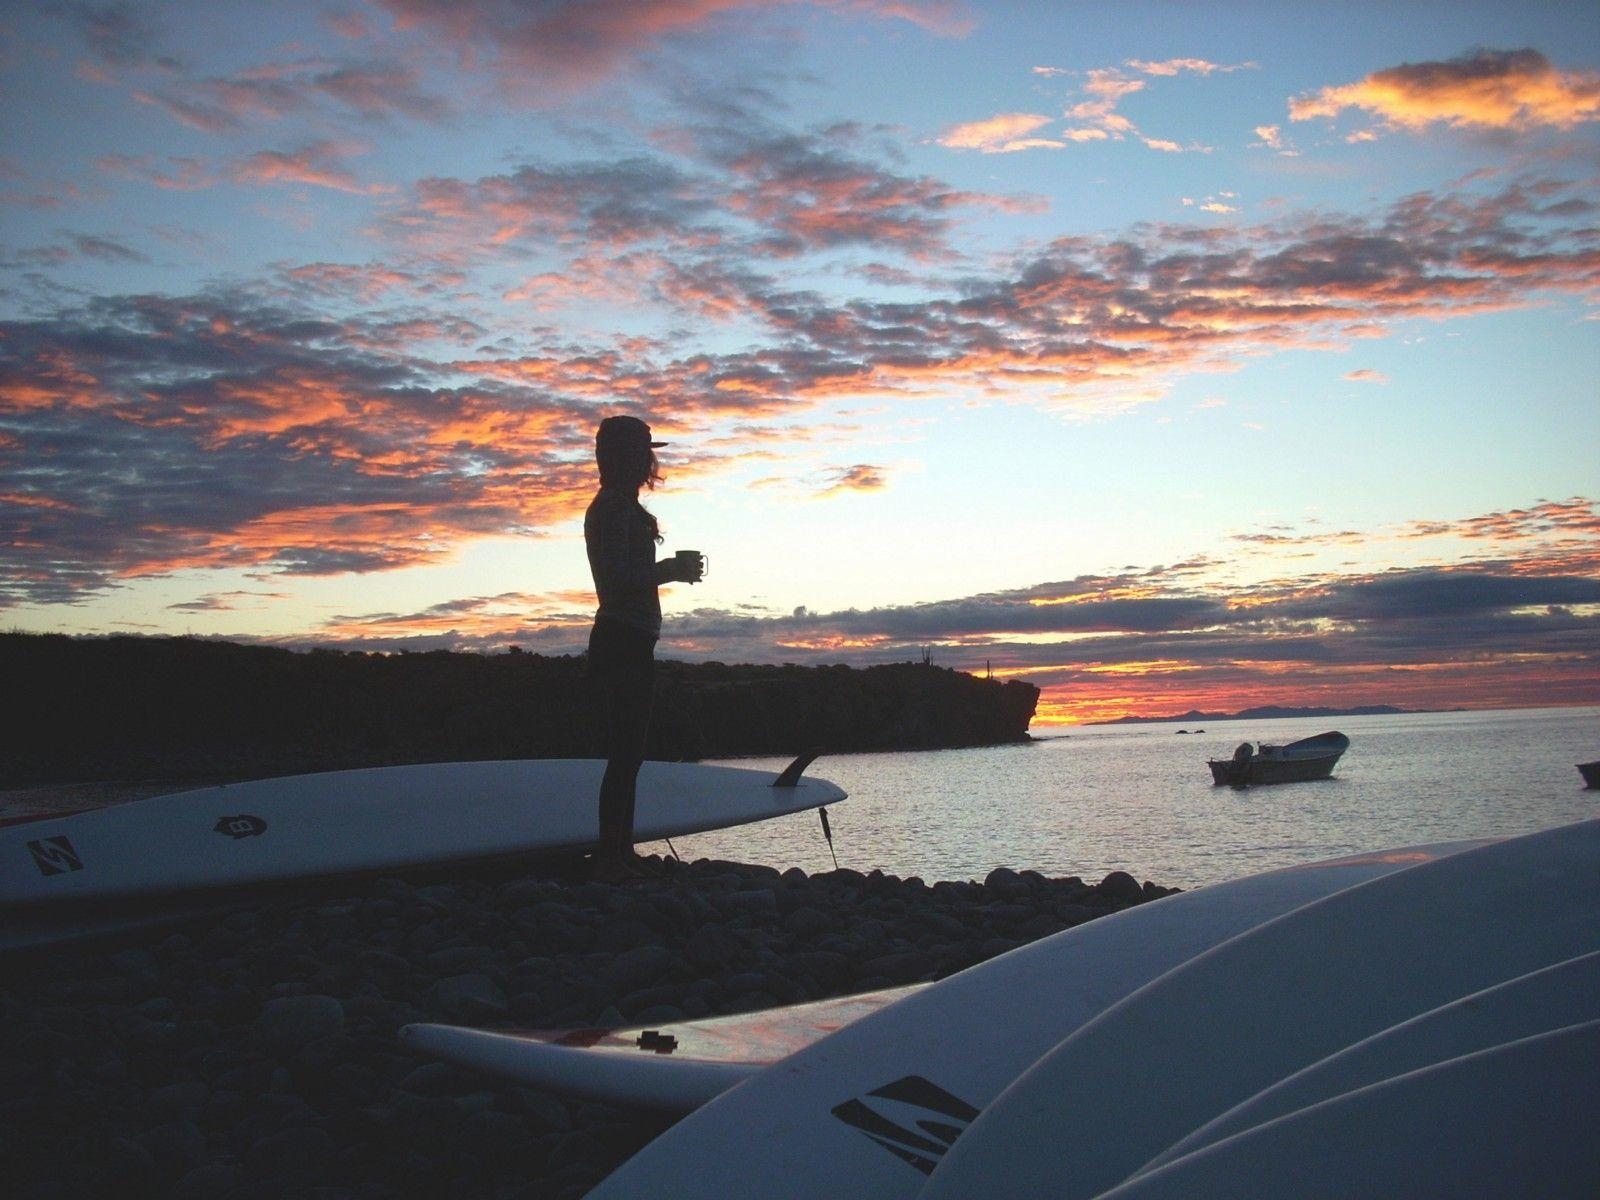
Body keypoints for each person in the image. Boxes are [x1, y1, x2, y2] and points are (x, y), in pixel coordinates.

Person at [584, 415, 703, 882]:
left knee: (630, 751)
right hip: (620, 638)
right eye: (638, 452)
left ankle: (620, 851)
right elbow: (615, 584)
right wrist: (669, 570)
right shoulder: (612, 509)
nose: (646, 461)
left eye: (645, 452)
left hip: (632, 638)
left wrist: (667, 571)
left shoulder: (623, 506)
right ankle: (611, 858)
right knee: (624, 752)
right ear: (618, 458)